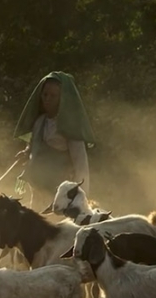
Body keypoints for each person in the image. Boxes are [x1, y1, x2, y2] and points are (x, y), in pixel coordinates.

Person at [13, 71, 95, 209]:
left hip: (59, 197)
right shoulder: (40, 122)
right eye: (45, 94)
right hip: (37, 191)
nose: (47, 99)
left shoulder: (70, 128)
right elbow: (34, 147)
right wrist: (26, 153)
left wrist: (81, 200)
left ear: (62, 98)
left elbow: (81, 165)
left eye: (53, 96)